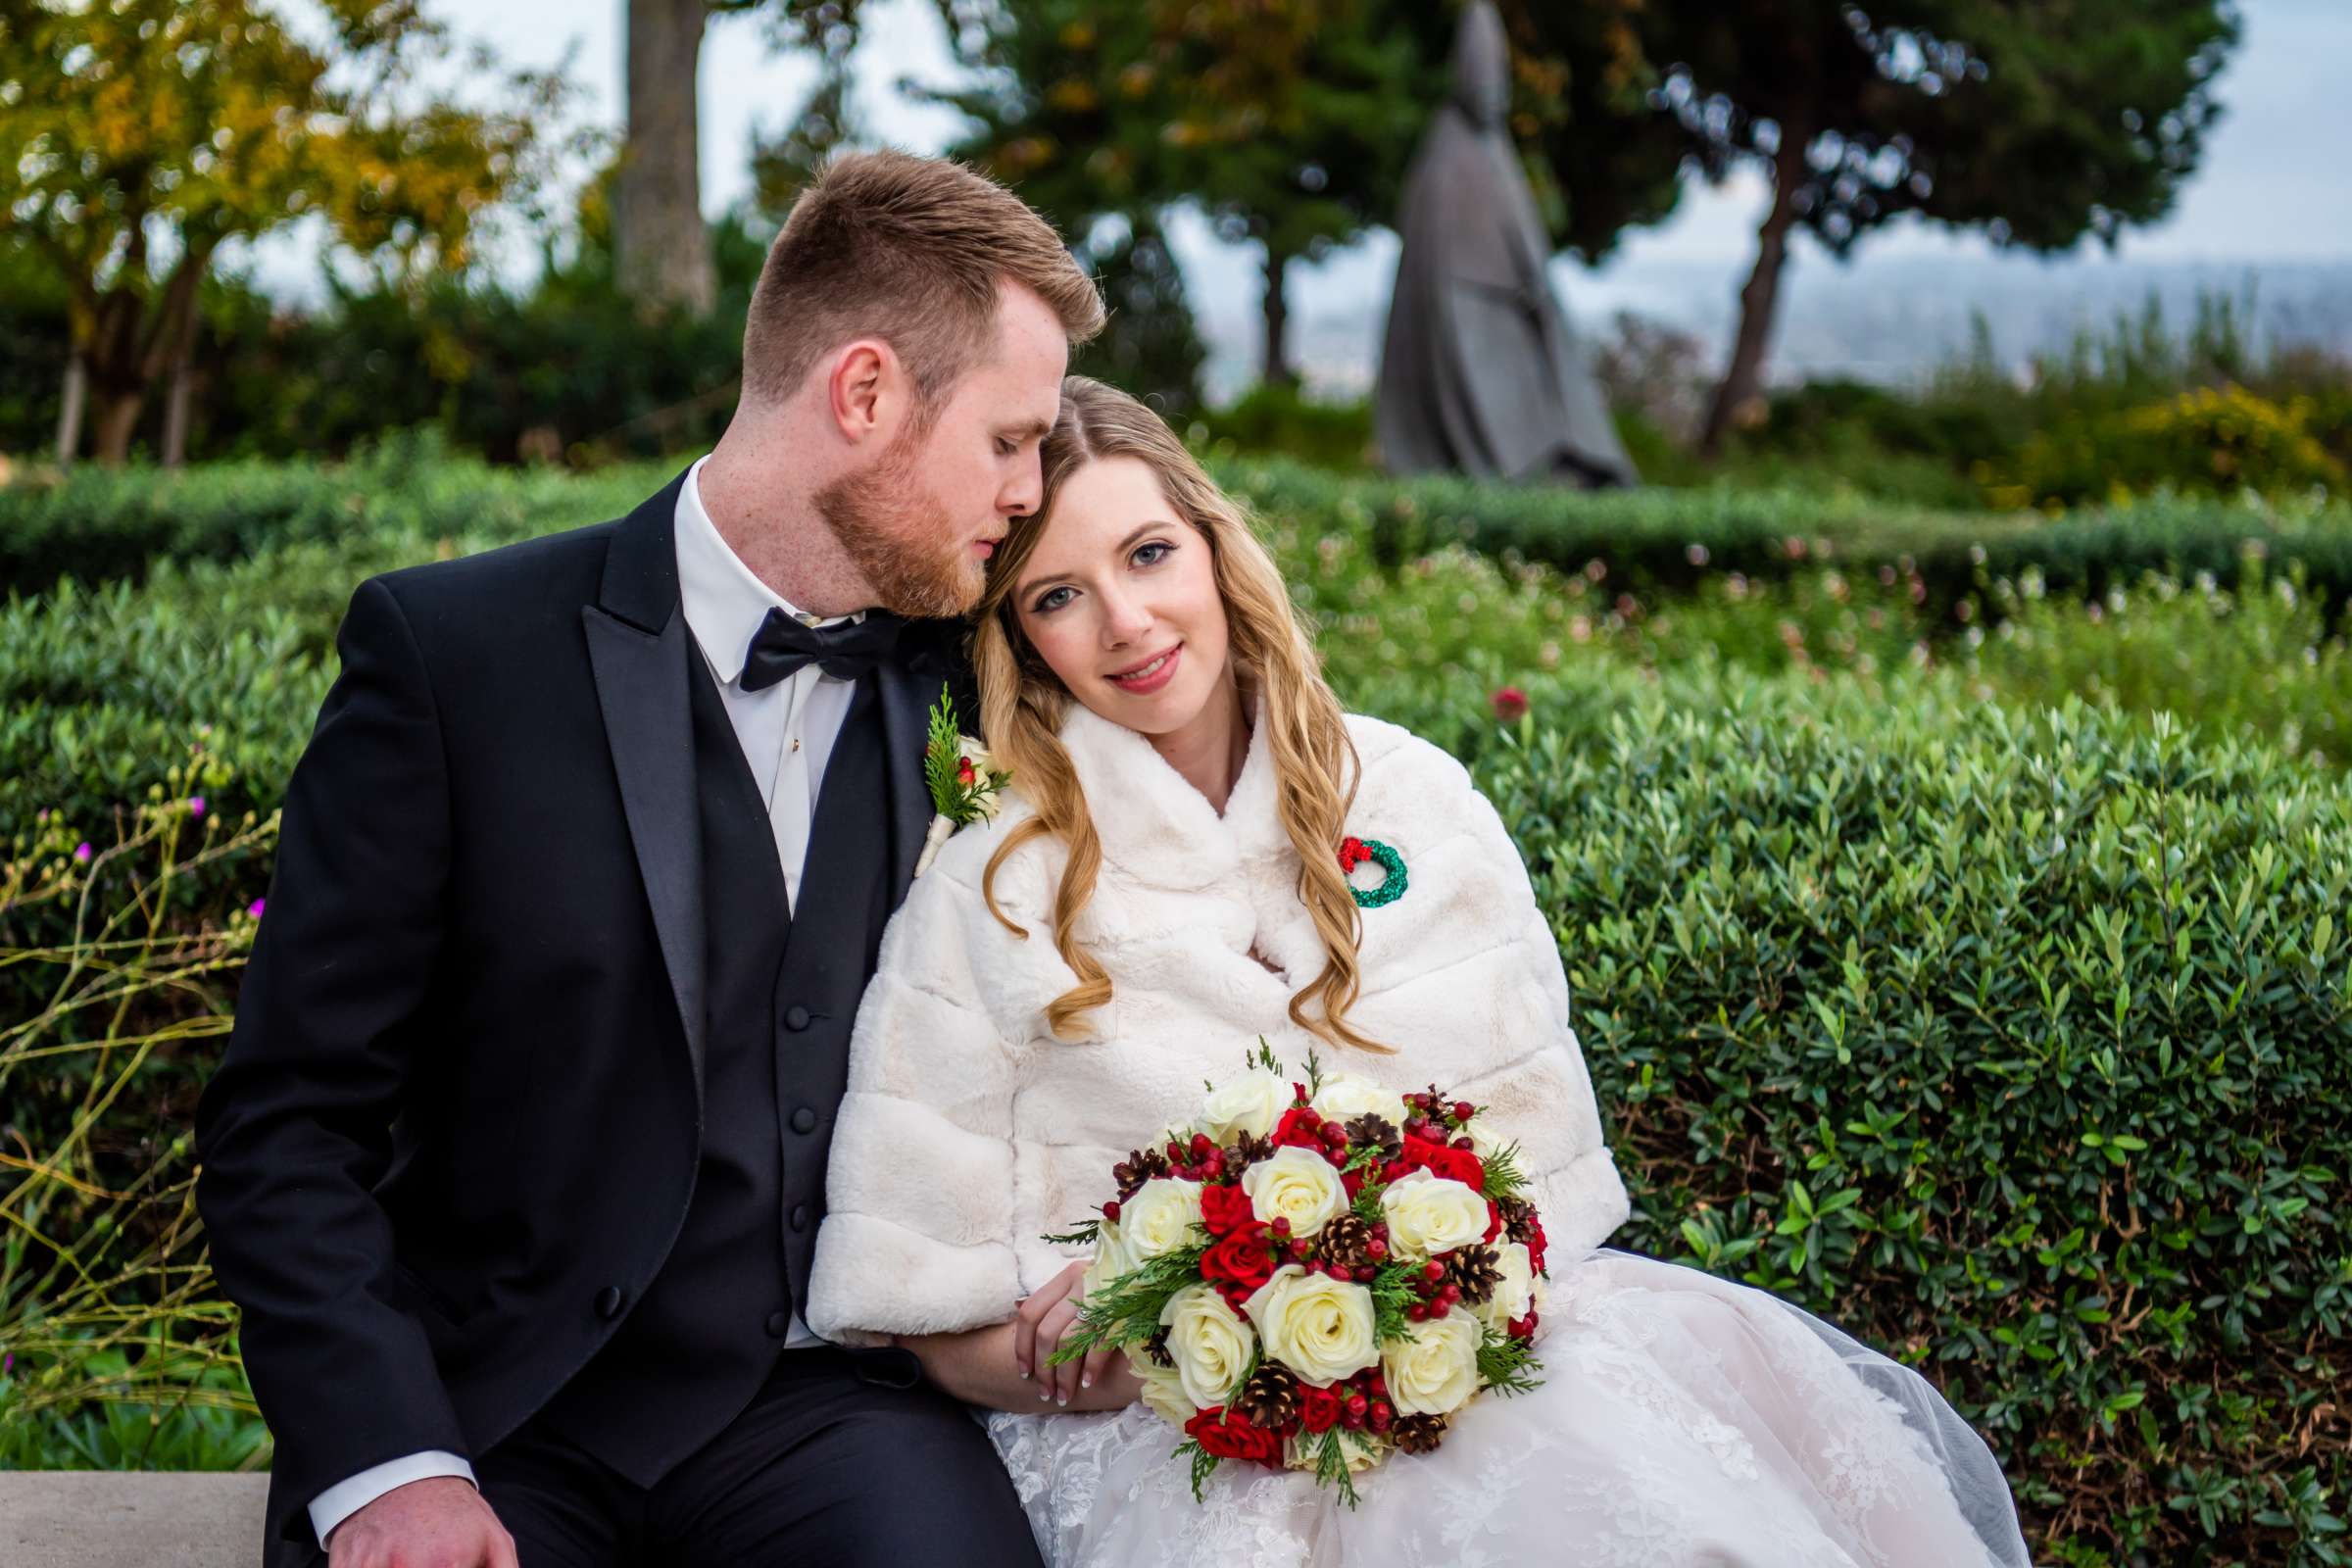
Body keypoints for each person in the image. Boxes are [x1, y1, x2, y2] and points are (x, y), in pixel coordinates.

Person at [806, 375, 2035, 1567]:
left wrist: (1398, 1315)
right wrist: (1158, 1328)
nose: (1125, 623)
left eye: (1147, 555)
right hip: (1169, 1438)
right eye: (1058, 595)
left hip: (1476, 1371)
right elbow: (918, 1294)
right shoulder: (1000, 872)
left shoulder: (1416, 796)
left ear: (1214, 548)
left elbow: (1536, 1187)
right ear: (1020, 637)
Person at [194, 151, 1103, 1568]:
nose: (1029, 489)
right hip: (499, 1419)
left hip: (829, 1415)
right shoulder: (456, 660)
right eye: (1008, 440)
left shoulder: (990, 682)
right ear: (863, 394)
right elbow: (288, 1124)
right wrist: (389, 1467)